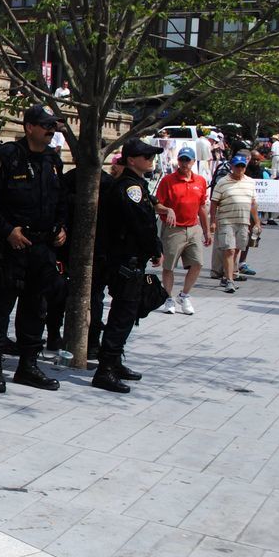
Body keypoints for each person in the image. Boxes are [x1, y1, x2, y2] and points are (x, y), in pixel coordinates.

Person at [0, 104, 67, 394]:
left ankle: (28, 365)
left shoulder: (53, 160)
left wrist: (60, 227)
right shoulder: (7, 157)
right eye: (45, 126)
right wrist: (7, 231)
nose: (50, 130)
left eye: (53, 126)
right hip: (10, 248)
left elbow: (60, 201)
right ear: (29, 127)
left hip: (42, 248)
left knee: (36, 308)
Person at [92, 139, 161, 393]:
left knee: (126, 313)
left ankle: (114, 361)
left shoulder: (135, 185)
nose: (150, 160)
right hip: (125, 260)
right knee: (123, 313)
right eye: (146, 156)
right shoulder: (130, 187)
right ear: (132, 160)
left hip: (127, 258)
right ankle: (106, 369)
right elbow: (140, 223)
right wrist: (155, 248)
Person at [154, 149, 210, 314]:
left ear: (193, 162)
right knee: (169, 266)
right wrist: (167, 210)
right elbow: (157, 205)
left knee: (198, 263)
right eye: (182, 160)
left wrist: (207, 231)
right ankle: (168, 298)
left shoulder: (200, 181)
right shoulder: (168, 181)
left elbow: (202, 207)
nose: (184, 164)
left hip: (193, 227)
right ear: (178, 161)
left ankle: (184, 294)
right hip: (173, 229)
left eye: (188, 160)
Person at [209, 154, 261, 293]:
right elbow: (214, 202)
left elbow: (253, 203)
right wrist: (212, 221)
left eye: (242, 166)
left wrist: (257, 222)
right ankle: (230, 280)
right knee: (229, 250)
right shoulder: (223, 182)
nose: (239, 169)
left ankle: (227, 275)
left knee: (237, 249)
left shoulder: (250, 182)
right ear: (232, 167)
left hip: (243, 221)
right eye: (237, 166)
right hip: (226, 220)